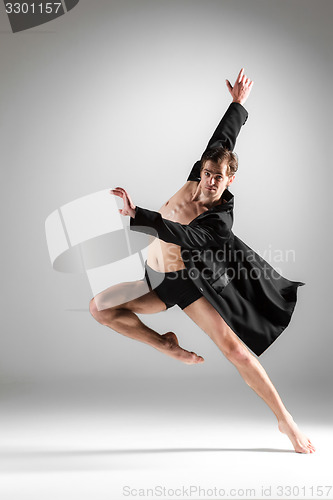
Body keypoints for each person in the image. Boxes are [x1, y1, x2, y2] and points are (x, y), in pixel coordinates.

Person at [90, 69, 315, 454]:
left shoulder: (219, 222)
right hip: (153, 277)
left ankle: (285, 420)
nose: (208, 182)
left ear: (229, 182)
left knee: (235, 350)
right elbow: (222, 140)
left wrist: (139, 214)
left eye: (217, 178)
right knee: (100, 308)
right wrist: (238, 104)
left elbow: (184, 235)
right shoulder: (201, 172)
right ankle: (166, 345)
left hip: (186, 282)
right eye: (206, 173)